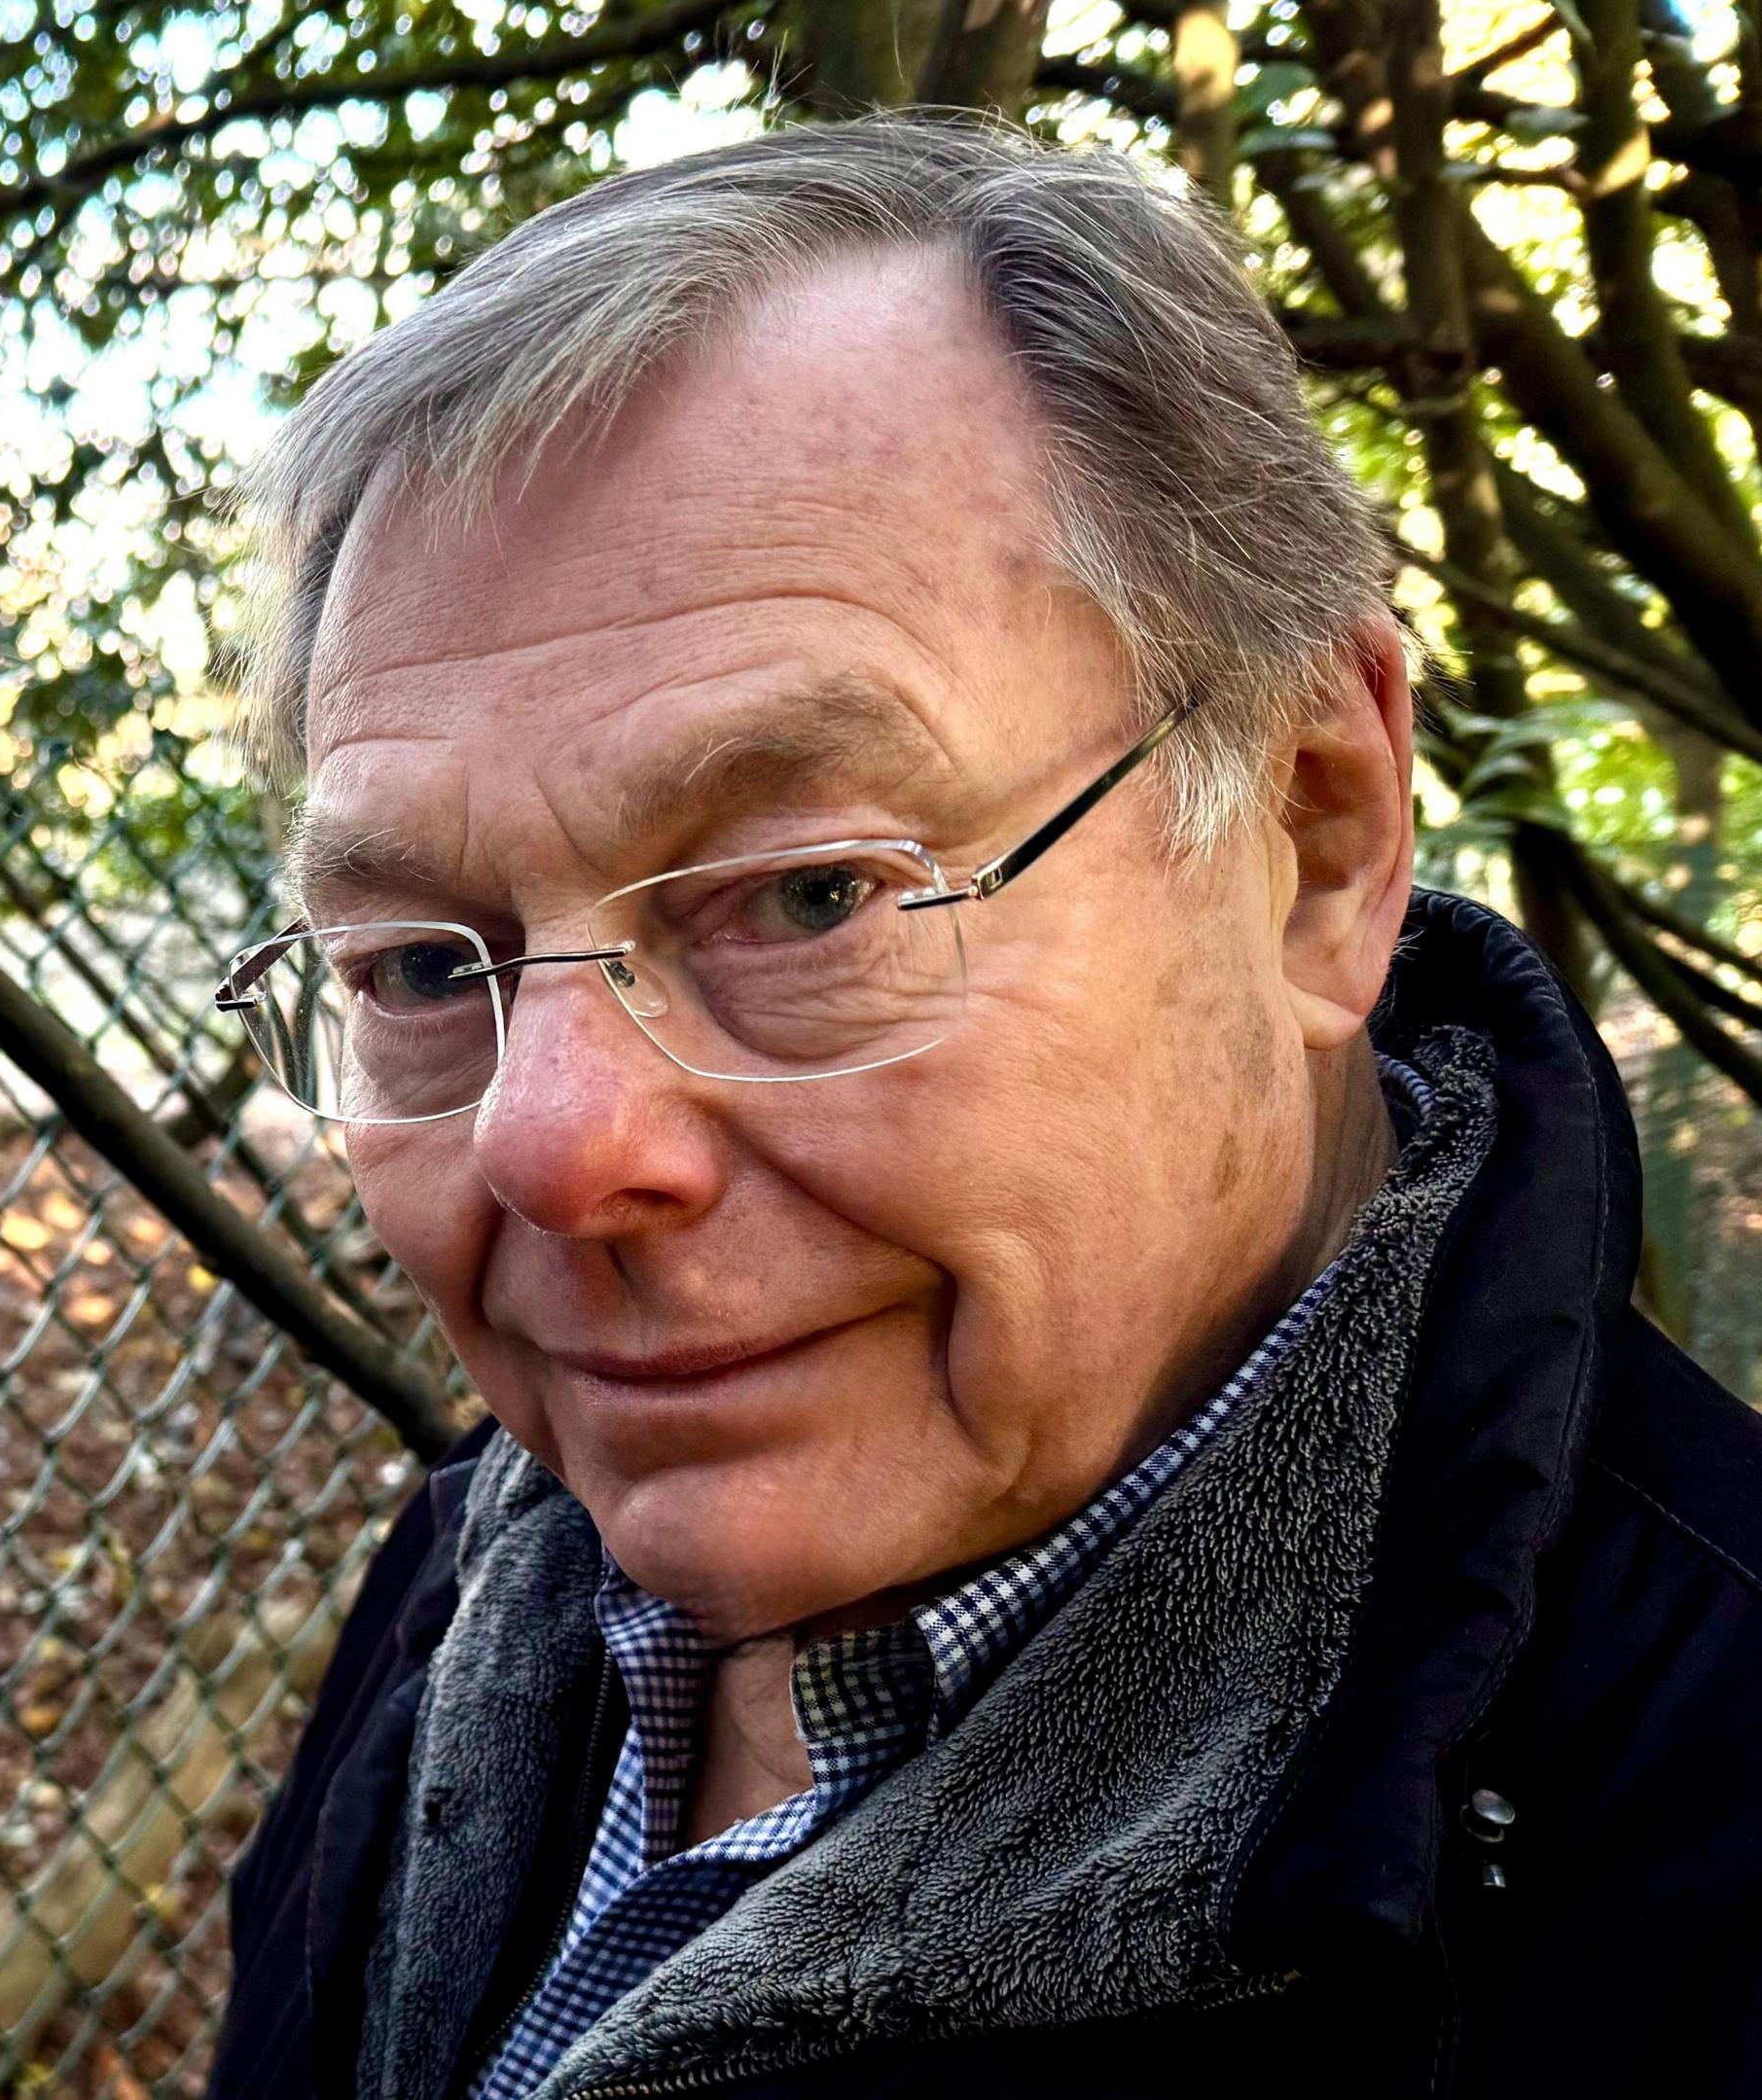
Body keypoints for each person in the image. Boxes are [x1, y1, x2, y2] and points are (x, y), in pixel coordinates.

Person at [198, 116, 1762, 2100]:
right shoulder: (475, 1597)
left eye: (814, 895)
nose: (557, 1146)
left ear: (1315, 833)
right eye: (427, 967)